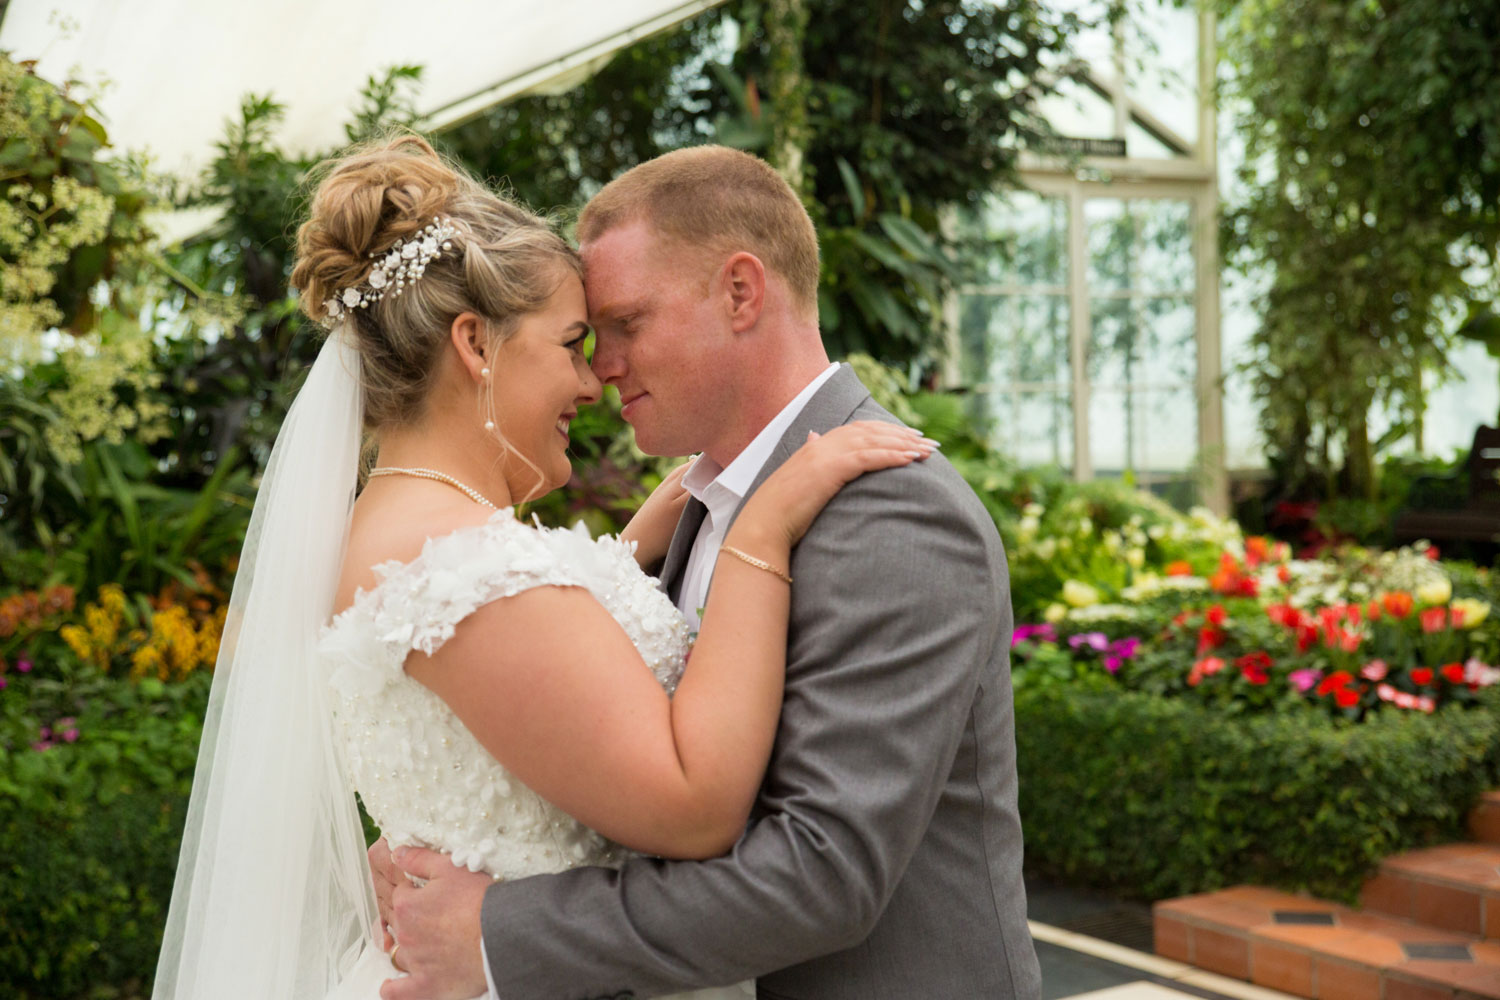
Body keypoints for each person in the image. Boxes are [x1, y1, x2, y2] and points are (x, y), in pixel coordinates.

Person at [149, 135, 932, 1000]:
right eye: (572, 343)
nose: (594, 379)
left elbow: (545, 699)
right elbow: (694, 806)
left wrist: (655, 532)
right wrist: (761, 528)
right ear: (476, 344)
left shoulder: (413, 536)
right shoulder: (466, 565)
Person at [375, 146, 1042, 1000]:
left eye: (626, 324)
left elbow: (822, 874)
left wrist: (499, 934)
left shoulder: (895, 516)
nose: (599, 368)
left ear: (740, 292)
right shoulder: (706, 499)